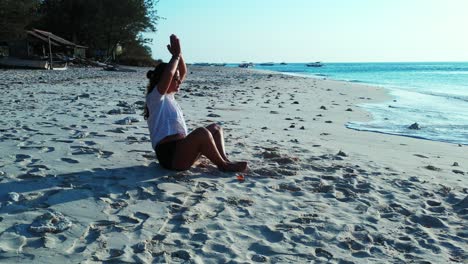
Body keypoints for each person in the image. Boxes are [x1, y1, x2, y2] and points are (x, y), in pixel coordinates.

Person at [144, 34, 248, 172]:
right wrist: (174, 57)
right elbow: (169, 75)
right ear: (164, 80)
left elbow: (183, 71)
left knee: (216, 128)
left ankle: (225, 160)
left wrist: (179, 55)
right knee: (201, 132)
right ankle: (223, 166)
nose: (179, 81)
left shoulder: (170, 96)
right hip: (170, 155)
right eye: (176, 79)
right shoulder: (155, 98)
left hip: (183, 149)